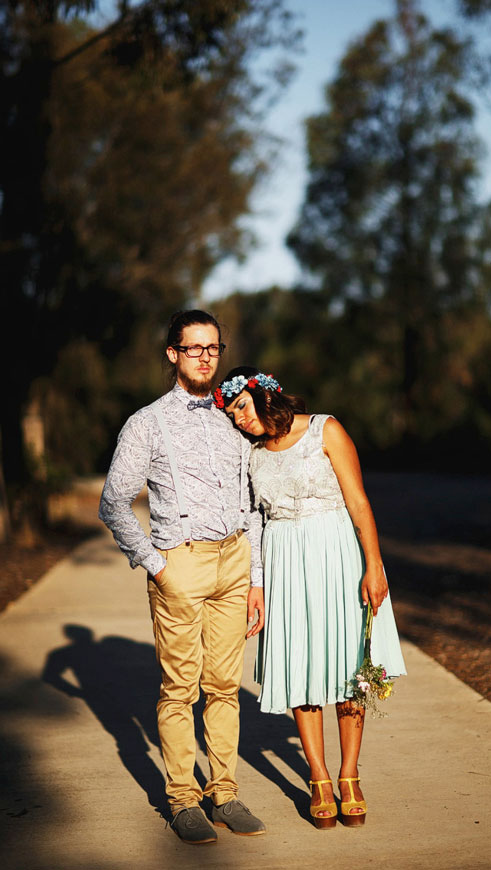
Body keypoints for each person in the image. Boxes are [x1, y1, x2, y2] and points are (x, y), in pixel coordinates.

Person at [99, 312, 266, 845]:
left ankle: (225, 791)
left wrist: (256, 577)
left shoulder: (234, 417)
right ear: (172, 354)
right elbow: (113, 503)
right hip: (181, 565)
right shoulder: (146, 423)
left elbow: (251, 503)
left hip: (234, 563)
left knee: (225, 688)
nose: (205, 357)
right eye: (193, 349)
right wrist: (156, 563)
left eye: (213, 348)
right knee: (180, 689)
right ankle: (181, 799)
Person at [213, 366, 406, 829]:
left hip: (338, 556)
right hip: (284, 563)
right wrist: (257, 584)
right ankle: (318, 776)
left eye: (241, 406)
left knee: (349, 667)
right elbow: (255, 522)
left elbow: (359, 503)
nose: (238, 419)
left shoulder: (326, 428)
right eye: (231, 414)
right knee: (300, 666)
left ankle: (349, 775)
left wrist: (374, 566)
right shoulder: (251, 454)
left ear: (263, 395)